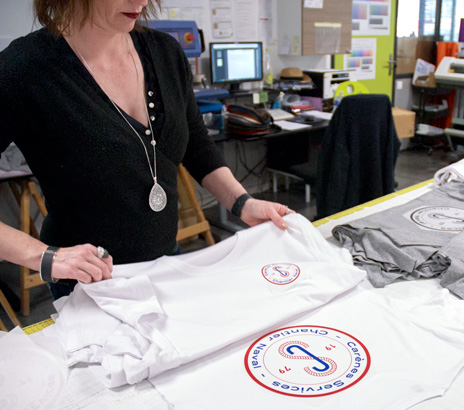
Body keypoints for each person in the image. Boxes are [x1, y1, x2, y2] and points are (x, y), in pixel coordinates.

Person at [0, 0, 291, 299]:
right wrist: (44, 257)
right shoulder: (24, 68)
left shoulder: (164, 51)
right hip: (90, 285)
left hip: (166, 263)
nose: (142, 1)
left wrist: (243, 203)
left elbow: (196, 142)